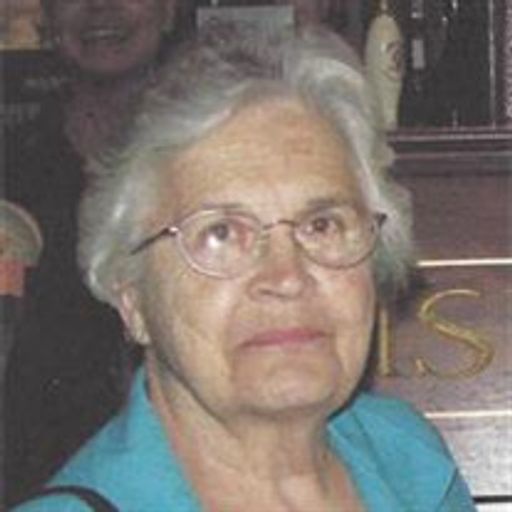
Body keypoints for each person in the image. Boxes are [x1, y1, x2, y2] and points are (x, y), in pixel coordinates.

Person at [14, 23, 476, 511]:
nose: (287, 278)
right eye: (221, 233)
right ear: (131, 298)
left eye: (322, 225)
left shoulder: (408, 464)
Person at [4, 0, 180, 504]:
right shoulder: (14, 167)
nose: (101, 8)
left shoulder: (211, 158)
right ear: (48, 17)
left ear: (169, 11)